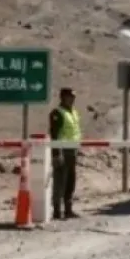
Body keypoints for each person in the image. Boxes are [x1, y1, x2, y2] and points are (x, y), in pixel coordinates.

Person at [49, 87, 82, 220]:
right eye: (70, 97)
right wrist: (57, 153)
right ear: (63, 97)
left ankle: (68, 209)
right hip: (62, 150)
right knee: (60, 181)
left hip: (72, 151)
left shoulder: (73, 112)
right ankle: (57, 211)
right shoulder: (57, 113)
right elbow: (54, 134)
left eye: (74, 97)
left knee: (70, 181)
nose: (73, 99)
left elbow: (75, 132)